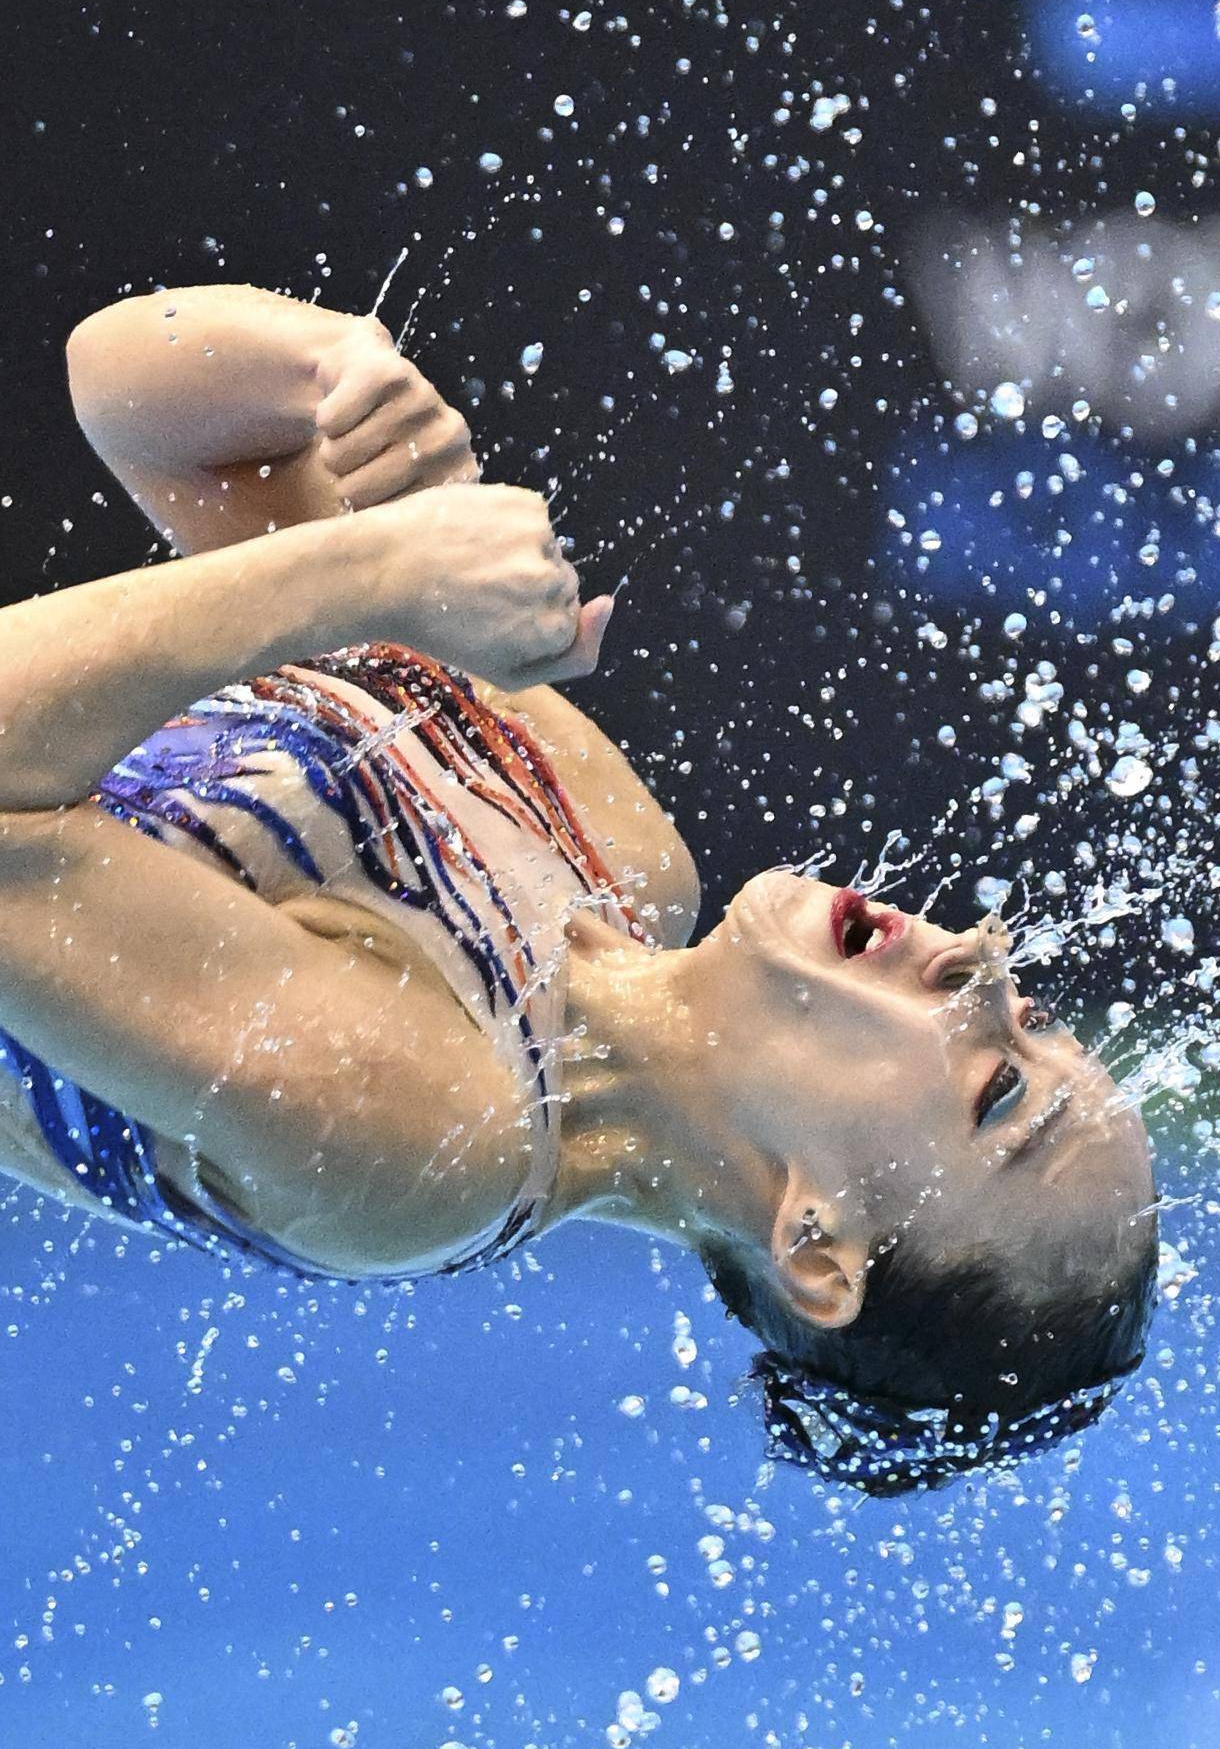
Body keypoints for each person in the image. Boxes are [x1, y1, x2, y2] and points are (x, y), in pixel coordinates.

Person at [0, 283, 1157, 1495]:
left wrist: (367, 566)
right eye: (1034, 1014)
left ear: (816, 1241)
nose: (980, 965)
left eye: (996, 1089)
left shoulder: (430, 1147)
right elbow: (133, 393)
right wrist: (329, 375)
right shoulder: (615, 855)